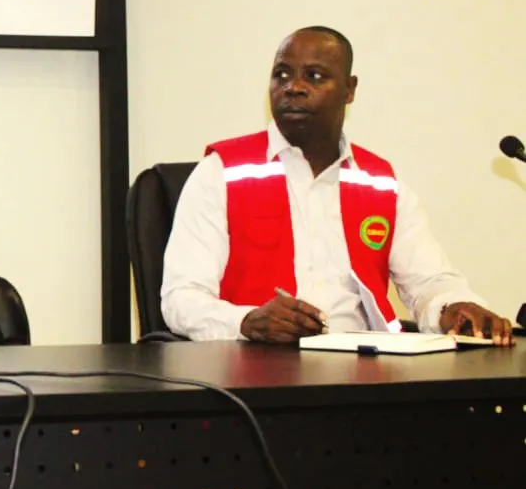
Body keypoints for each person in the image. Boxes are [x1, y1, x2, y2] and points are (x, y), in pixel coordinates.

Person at [161, 27, 514, 345]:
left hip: (366, 375)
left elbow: (430, 282)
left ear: (349, 90)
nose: (293, 87)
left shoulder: (380, 184)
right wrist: (246, 321)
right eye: (281, 75)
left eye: (314, 76)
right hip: (255, 375)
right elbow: (181, 298)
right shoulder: (221, 172)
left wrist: (455, 307)